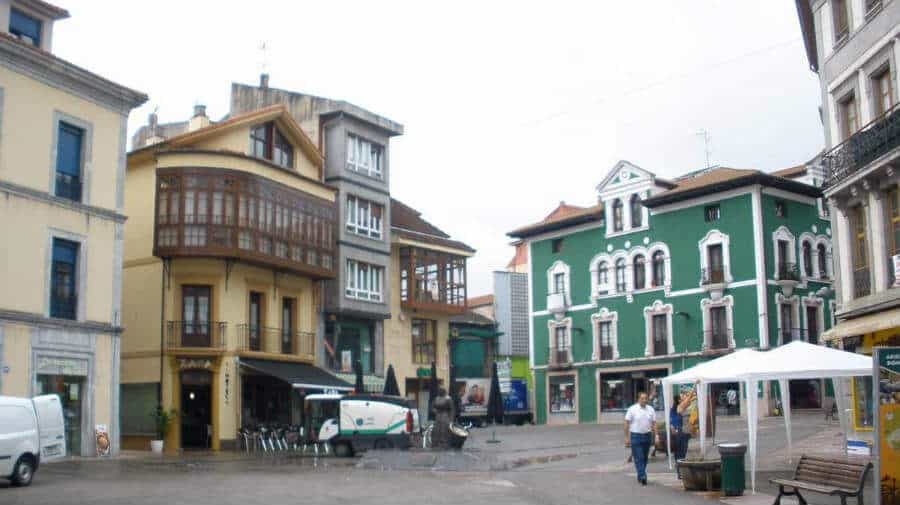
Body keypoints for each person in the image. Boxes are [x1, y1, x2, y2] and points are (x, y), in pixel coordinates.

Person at [625, 392, 656, 485]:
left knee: (645, 458)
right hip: (635, 436)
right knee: (639, 457)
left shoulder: (651, 409)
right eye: (642, 398)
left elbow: (654, 423)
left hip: (647, 435)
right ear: (638, 399)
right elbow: (626, 423)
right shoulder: (632, 409)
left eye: (646, 398)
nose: (644, 400)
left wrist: (657, 435)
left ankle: (640, 474)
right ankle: (643, 476)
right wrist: (627, 437)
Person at [670, 388, 694, 466]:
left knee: (681, 452)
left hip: (684, 432)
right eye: (682, 396)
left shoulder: (681, 407)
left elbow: (690, 400)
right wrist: (694, 386)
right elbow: (689, 398)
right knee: (681, 452)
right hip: (680, 432)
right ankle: (679, 467)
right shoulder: (679, 407)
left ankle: (679, 466)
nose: (684, 397)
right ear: (679, 401)